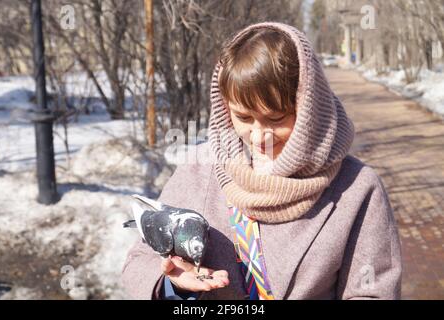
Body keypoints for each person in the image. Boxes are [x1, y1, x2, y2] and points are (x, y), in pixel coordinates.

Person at [121, 22, 402, 300]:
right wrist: (176, 288)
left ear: (308, 109)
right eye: (243, 117)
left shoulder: (357, 189)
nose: (258, 135)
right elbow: (139, 261)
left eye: (276, 118)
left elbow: (373, 292)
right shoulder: (200, 167)